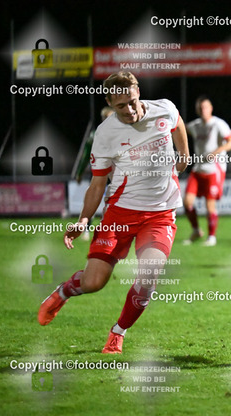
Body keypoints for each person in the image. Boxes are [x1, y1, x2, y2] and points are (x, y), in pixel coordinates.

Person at [38, 71, 189, 353]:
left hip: (160, 214)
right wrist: (84, 219)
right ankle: (64, 291)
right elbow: (98, 184)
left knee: (149, 277)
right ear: (109, 103)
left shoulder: (164, 108)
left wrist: (184, 153)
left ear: (138, 91)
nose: (130, 110)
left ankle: (118, 332)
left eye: (132, 102)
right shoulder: (106, 133)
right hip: (120, 214)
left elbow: (178, 121)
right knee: (94, 282)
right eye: (121, 106)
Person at [183, 95, 231, 246]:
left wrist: (216, 152)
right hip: (198, 169)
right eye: (200, 108)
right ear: (197, 110)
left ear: (211, 108)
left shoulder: (218, 124)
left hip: (214, 169)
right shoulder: (196, 125)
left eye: (206, 107)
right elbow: (181, 128)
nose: (203, 110)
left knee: (210, 205)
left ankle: (211, 237)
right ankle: (196, 231)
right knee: (187, 202)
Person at [75, 106, 115, 241]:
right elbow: (86, 155)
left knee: (115, 203)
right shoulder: (95, 135)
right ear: (103, 119)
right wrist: (80, 172)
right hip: (100, 172)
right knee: (93, 200)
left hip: (116, 173)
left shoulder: (122, 132)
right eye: (107, 118)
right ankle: (86, 229)